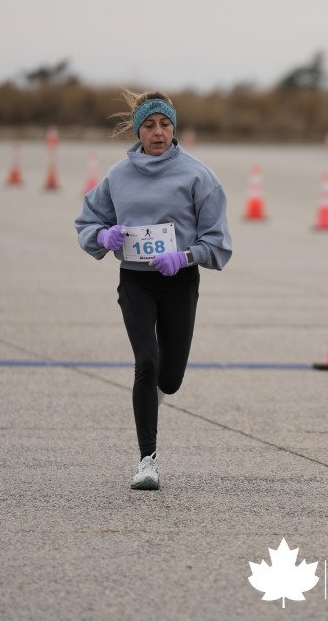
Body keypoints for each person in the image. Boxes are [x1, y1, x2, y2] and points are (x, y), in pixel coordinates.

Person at [75, 91, 232, 490]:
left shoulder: (199, 176)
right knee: (146, 361)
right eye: (149, 125)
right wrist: (102, 236)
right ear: (138, 131)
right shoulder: (117, 176)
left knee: (170, 378)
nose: (158, 132)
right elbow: (87, 222)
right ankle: (147, 461)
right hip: (136, 280)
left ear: (174, 128)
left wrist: (185, 256)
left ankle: (158, 392)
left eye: (165, 124)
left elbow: (219, 244)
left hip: (180, 282)